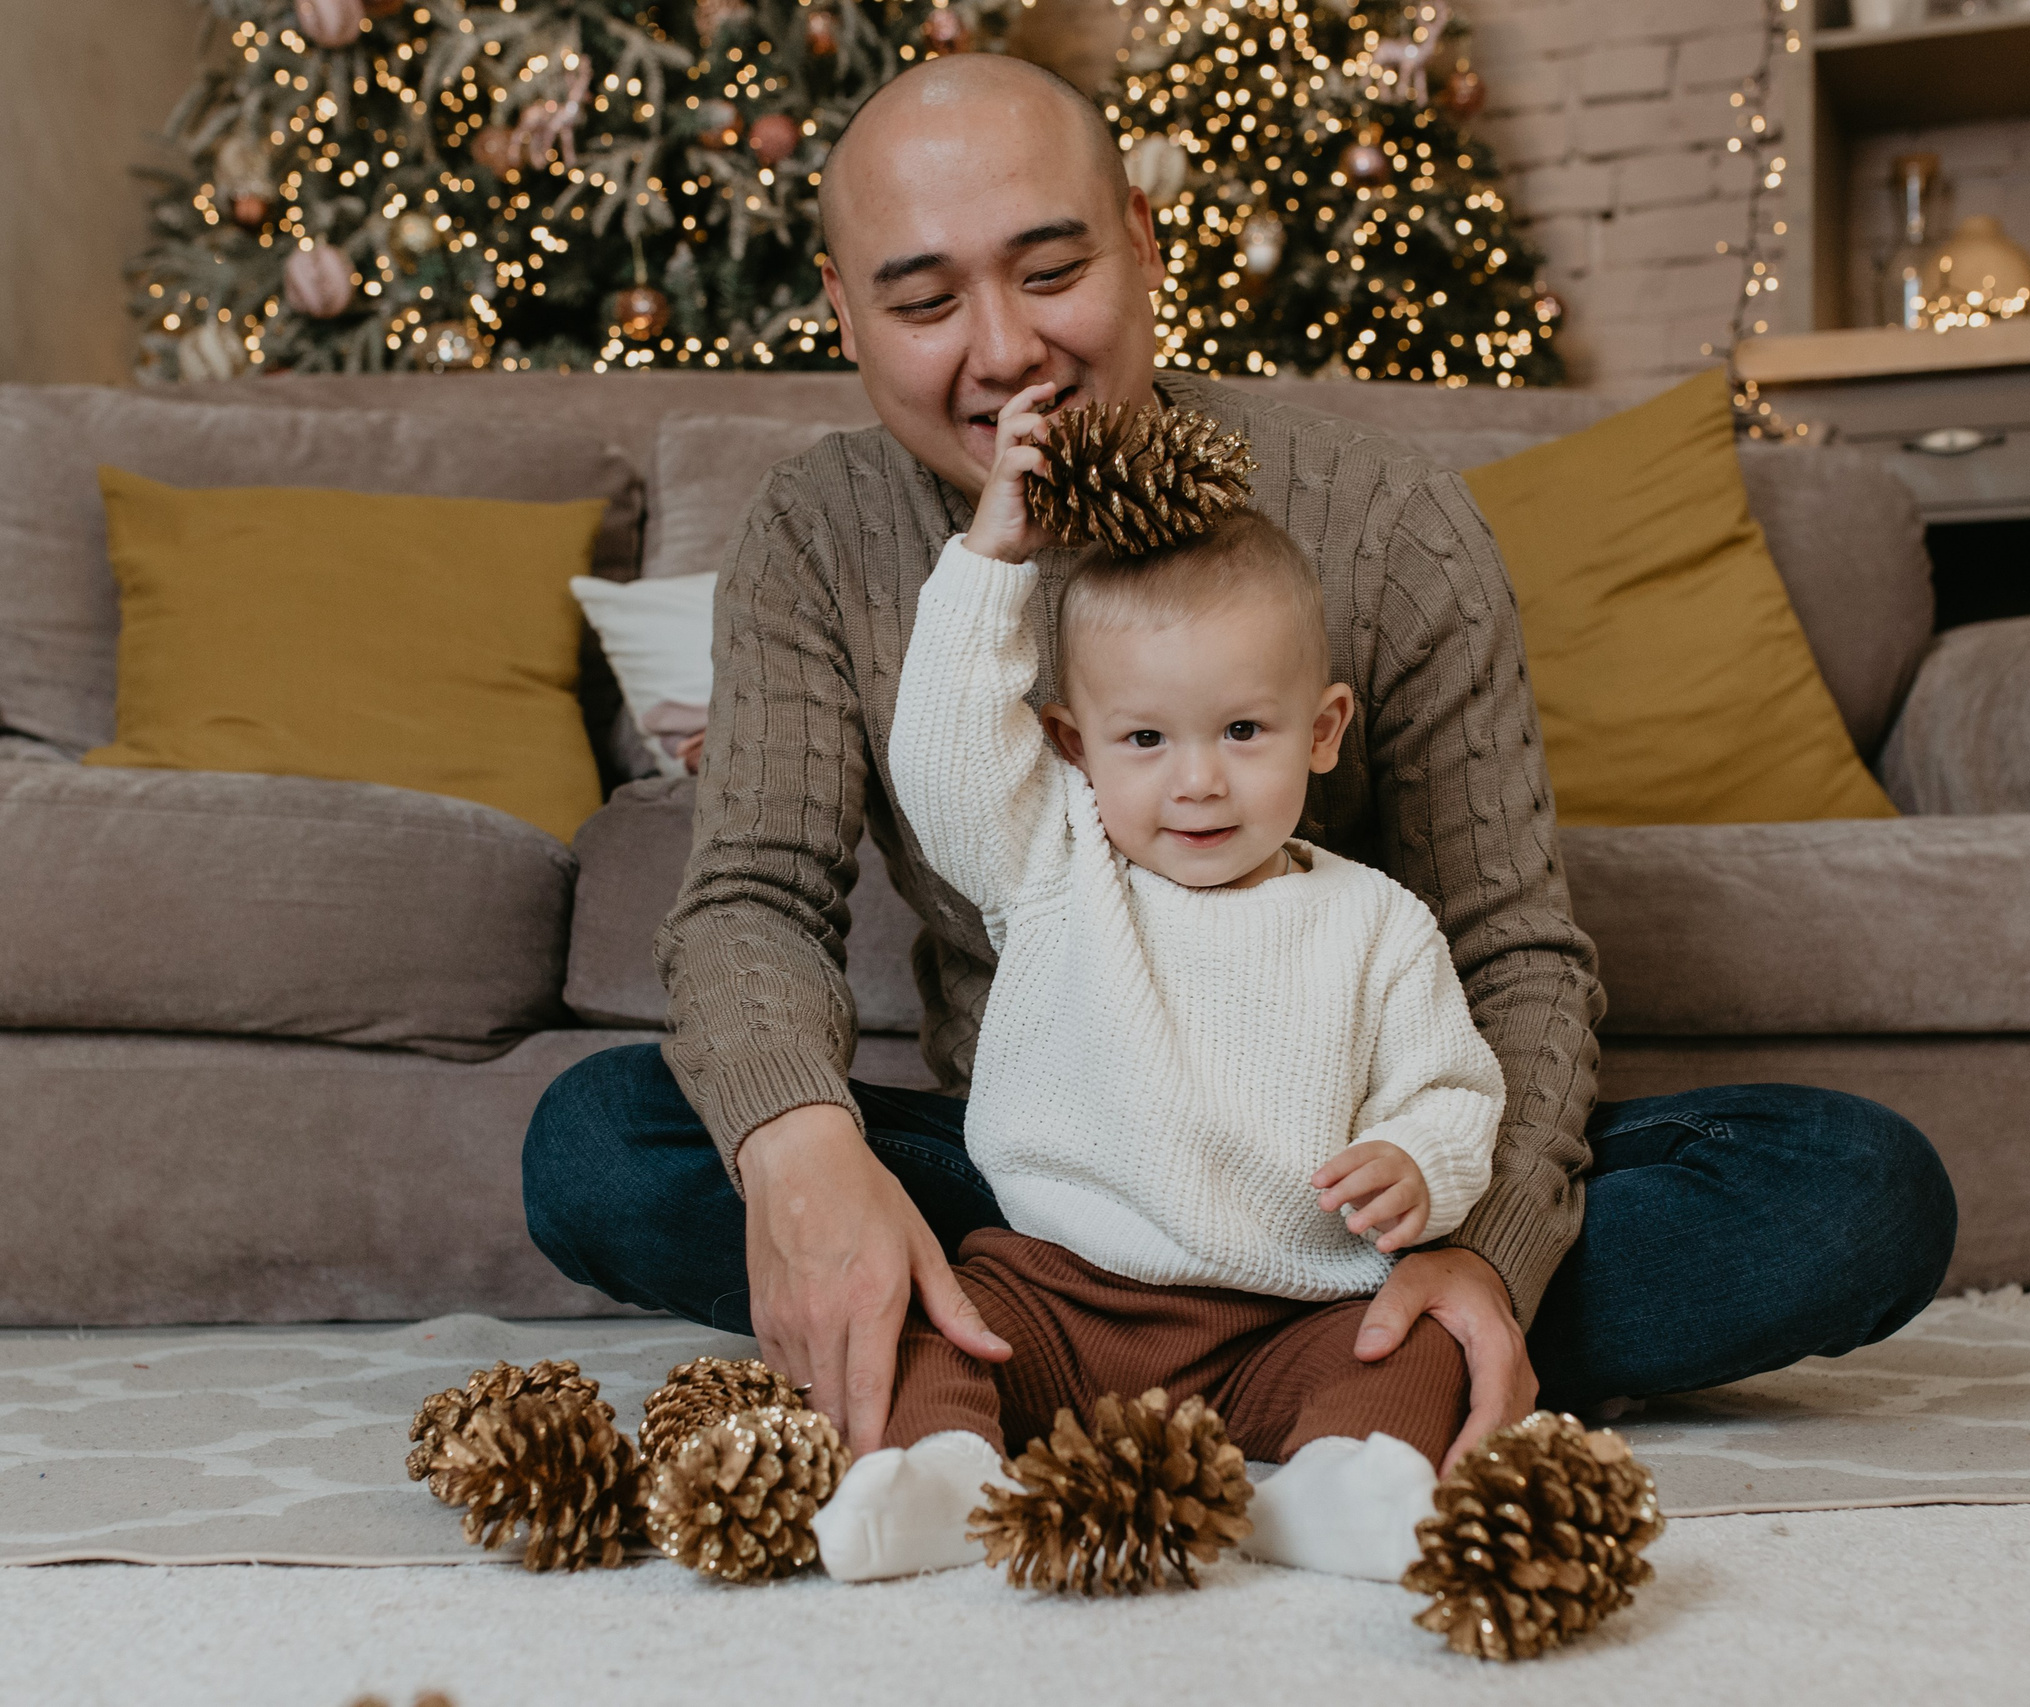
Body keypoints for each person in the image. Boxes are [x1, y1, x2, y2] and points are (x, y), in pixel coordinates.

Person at [521, 52, 1958, 1478]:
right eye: (922, 299)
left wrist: (1487, 1252)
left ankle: (1160, 1358)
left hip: (1352, 1202)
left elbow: (1515, 951)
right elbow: (752, 902)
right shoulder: (818, 534)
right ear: (844, 313)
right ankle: (1281, 1377)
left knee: (1855, 1190)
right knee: (600, 1141)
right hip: (1043, 1199)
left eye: (1050, 268)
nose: (1004, 348)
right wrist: (802, 1157)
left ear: (1143, 243)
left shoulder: (1387, 523)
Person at [814, 384, 1502, 1583]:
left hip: (1286, 1313)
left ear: (1323, 728)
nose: (1196, 784)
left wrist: (1418, 1167)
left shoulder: (1375, 921)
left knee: (1417, 1342)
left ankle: (1353, 1484)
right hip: (1057, 1290)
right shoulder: (1054, 861)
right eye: (1146, 741)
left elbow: (1450, 1090)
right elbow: (937, 758)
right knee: (939, 1319)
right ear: (1075, 746)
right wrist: (991, 555)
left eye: (1243, 731)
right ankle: (940, 1475)